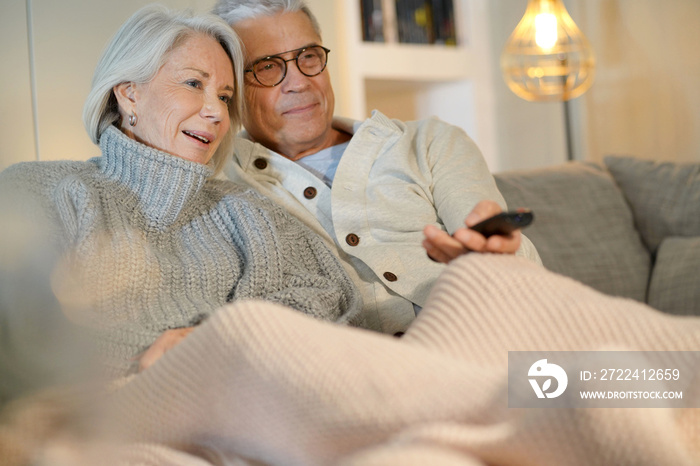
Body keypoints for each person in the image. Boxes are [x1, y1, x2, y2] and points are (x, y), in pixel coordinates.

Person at [0, 4, 361, 403]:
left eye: (225, 97)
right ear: (128, 93)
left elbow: (327, 297)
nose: (216, 112)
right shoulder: (39, 190)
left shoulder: (248, 211)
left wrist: (212, 339)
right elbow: (28, 337)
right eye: (193, 84)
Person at [212, 0, 542, 335]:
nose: (300, 82)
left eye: (308, 56)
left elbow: (517, 273)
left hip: (484, 335)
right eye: (268, 66)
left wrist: (492, 251)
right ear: (232, 87)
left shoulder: (430, 142)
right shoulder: (221, 184)